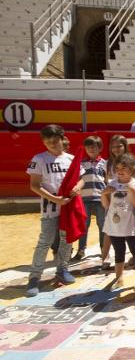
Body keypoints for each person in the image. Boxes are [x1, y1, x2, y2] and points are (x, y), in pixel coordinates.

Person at [25, 125, 83, 297]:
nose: (51, 142)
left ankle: (62, 269)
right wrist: (55, 199)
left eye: (55, 139)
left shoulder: (70, 159)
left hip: (68, 207)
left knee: (67, 239)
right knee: (45, 241)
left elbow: (81, 180)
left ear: (62, 138)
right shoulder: (39, 159)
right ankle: (34, 277)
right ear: (43, 141)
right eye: (47, 140)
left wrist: (77, 188)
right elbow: (34, 186)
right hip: (50, 207)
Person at [101, 153, 135, 291]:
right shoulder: (111, 183)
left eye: (124, 168)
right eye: (118, 168)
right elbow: (106, 205)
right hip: (115, 225)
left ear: (132, 170)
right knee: (118, 251)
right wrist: (104, 194)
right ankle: (119, 278)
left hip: (131, 225)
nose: (120, 171)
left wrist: (132, 191)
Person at [74, 135, 107, 261]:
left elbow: (108, 180)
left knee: (102, 224)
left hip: (100, 198)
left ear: (100, 148)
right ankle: (81, 250)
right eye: (88, 147)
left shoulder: (105, 163)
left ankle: (104, 249)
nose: (91, 149)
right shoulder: (81, 163)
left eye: (94, 146)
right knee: (83, 225)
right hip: (84, 198)